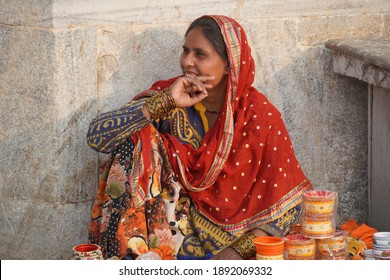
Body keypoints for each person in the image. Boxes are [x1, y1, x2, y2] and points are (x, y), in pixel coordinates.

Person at [86, 15, 312, 260]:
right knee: (137, 142)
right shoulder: (169, 99)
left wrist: (232, 255)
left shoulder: (260, 117)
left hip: (230, 241)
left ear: (229, 65)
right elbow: (97, 138)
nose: (187, 62)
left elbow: (287, 210)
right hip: (163, 236)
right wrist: (163, 103)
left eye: (200, 54)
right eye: (185, 51)